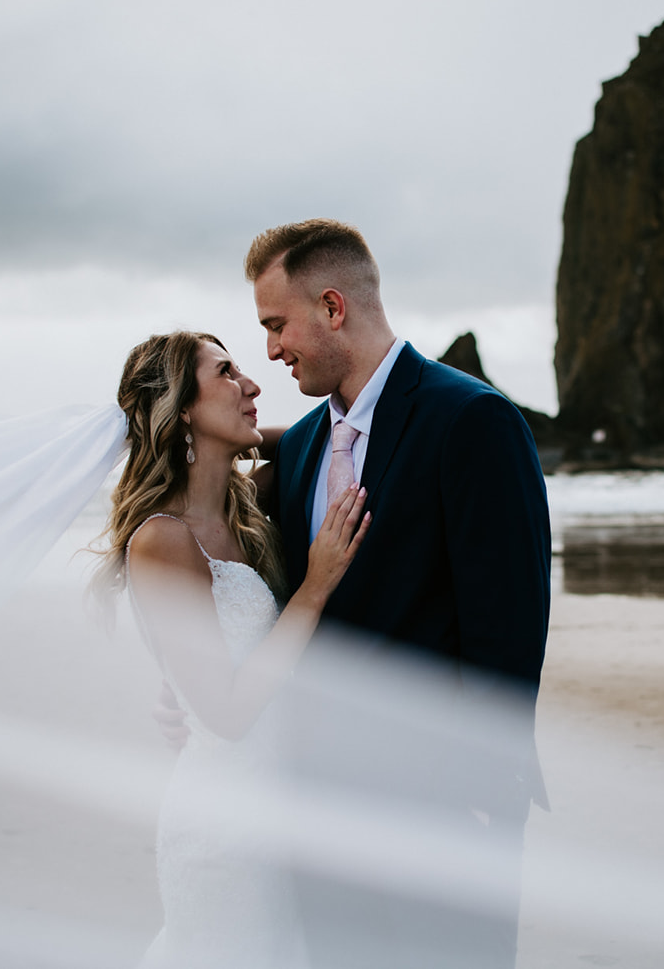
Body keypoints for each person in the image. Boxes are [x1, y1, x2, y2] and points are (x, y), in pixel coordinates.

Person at [246, 218, 551, 969]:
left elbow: (508, 623)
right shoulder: (306, 445)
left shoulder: (472, 419)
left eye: (277, 325)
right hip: (316, 805)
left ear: (332, 307)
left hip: (441, 805)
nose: (271, 349)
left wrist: (486, 781)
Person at [95, 331, 370, 969]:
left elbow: (318, 432)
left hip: (284, 814)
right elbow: (226, 713)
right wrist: (316, 584)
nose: (251, 386)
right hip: (223, 830)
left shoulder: (248, 507)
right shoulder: (161, 540)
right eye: (227, 373)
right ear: (183, 408)